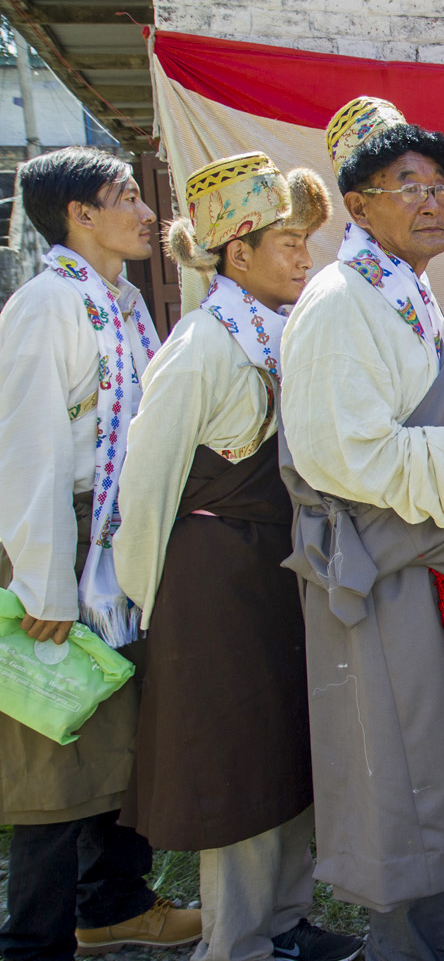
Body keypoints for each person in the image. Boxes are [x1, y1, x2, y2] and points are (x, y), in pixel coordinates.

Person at [278, 97, 444, 961]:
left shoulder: (403, 288)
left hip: (433, 561)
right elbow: (339, 451)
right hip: (384, 572)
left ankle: (442, 933)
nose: (432, 202)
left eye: (441, 187)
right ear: (358, 203)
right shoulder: (338, 300)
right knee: (405, 767)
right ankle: (402, 947)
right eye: (407, 185)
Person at [111, 152, 363, 961]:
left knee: (287, 747)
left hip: (272, 575)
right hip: (213, 586)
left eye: (305, 242)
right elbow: (146, 484)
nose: (304, 258)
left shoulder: (280, 331)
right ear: (238, 254)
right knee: (238, 764)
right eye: (287, 243)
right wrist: (146, 598)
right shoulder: (201, 345)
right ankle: (235, 942)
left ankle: (284, 920)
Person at [0, 146, 203, 961]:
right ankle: (33, 940)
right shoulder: (48, 304)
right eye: (127, 197)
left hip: (119, 538)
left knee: (123, 738)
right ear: (80, 214)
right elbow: (30, 451)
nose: (148, 212)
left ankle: (113, 904)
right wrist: (45, 584)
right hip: (69, 541)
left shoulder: (119, 303)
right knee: (58, 753)